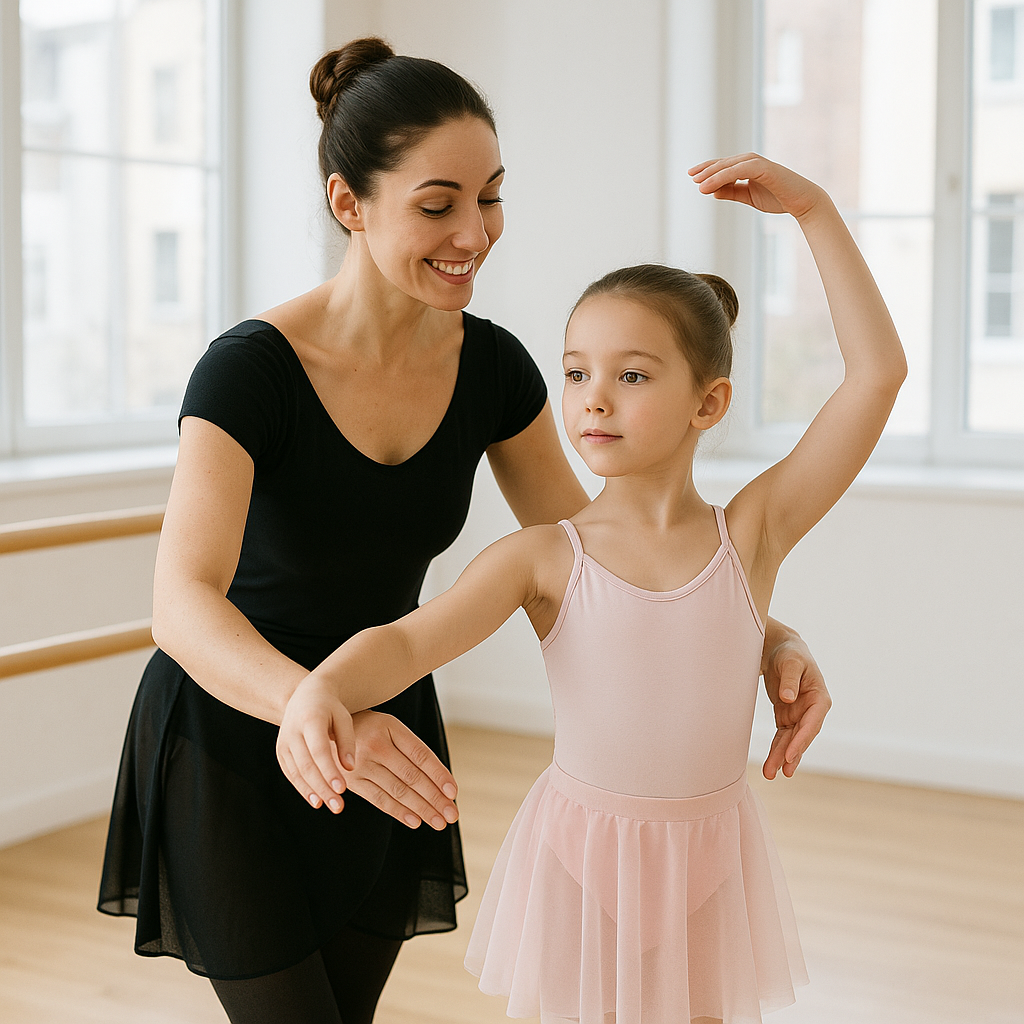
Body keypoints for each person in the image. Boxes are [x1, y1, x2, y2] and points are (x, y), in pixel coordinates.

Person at [97, 32, 831, 1024]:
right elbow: (180, 602)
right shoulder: (250, 371)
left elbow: (604, 549)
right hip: (239, 737)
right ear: (348, 206)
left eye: (489, 195)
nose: (475, 233)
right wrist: (317, 710)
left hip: (389, 742)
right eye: (437, 206)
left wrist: (761, 631)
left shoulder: (492, 369)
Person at [276, 153, 906, 1023]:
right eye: (577, 373)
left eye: (633, 376)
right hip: (581, 856)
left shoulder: (752, 533)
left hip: (713, 855)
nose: (594, 400)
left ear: (709, 403)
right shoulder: (542, 556)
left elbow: (876, 377)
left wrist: (816, 211)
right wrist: (321, 692)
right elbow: (410, 640)